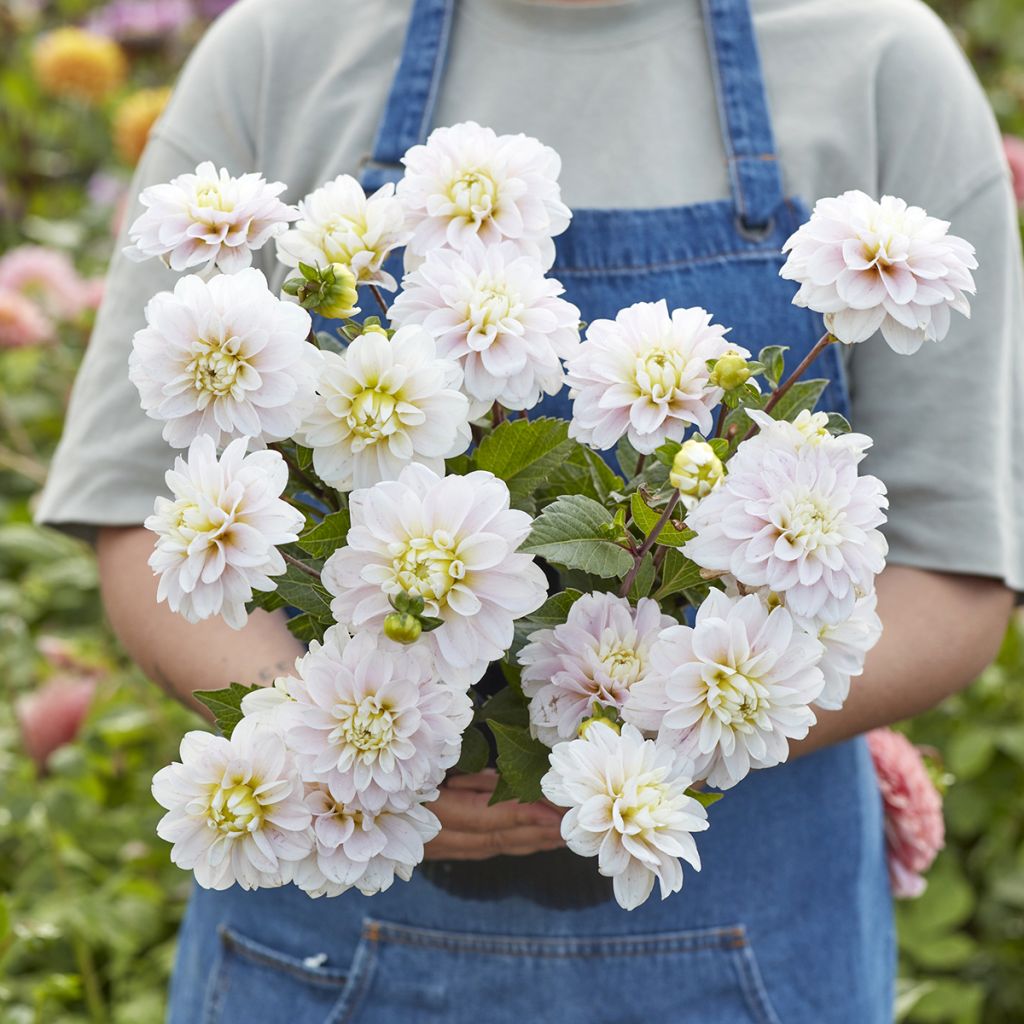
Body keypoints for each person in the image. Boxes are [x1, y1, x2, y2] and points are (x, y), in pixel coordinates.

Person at [36, 0, 1024, 1021]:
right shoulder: (280, 47)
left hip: (752, 957)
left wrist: (649, 746)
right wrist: (344, 745)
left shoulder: (878, 58)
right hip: (329, 935)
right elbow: (140, 516)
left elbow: (954, 573)